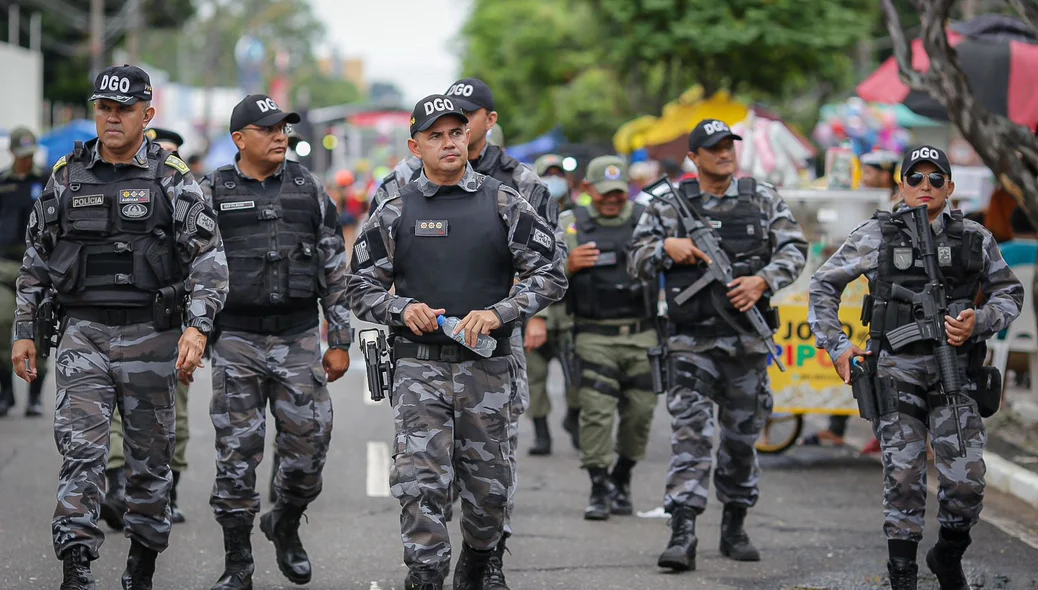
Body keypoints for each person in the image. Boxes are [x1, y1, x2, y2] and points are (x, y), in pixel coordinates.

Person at [12, 64, 228, 589]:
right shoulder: (68, 174)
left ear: (146, 114)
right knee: (80, 453)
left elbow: (209, 260)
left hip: (151, 335)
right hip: (82, 333)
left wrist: (197, 328)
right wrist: (23, 330)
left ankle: (142, 565)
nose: (111, 118)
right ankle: (77, 567)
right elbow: (36, 259)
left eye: (123, 109)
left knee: (148, 463)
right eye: (104, 108)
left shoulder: (172, 177)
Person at [347, 94, 567, 590]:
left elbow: (551, 274)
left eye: (455, 132)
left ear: (468, 135)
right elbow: (358, 286)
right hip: (417, 367)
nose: (448, 142)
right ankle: (425, 573)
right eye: (435, 135)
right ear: (415, 146)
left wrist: (500, 312)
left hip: (487, 369)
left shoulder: (504, 202)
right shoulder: (395, 209)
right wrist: (401, 308)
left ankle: (482, 557)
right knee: (420, 482)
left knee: (488, 486)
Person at [808, 145, 1023, 589]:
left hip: (956, 369)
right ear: (900, 184)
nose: (925, 187)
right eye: (916, 178)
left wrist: (978, 321)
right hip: (896, 368)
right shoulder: (875, 235)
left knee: (966, 482)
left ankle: (947, 554)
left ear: (950, 186)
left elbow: (1009, 293)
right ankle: (902, 574)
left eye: (935, 179)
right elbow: (822, 286)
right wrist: (839, 346)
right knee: (903, 477)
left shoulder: (974, 238)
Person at [628, 118, 808, 571]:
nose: (724, 153)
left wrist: (762, 281)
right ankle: (683, 530)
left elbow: (794, 249)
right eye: (714, 147)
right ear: (695, 157)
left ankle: (734, 523)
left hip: (746, 344)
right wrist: (668, 247)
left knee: (741, 439)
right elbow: (636, 259)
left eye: (729, 145)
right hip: (690, 342)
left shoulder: (762, 198)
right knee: (692, 435)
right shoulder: (669, 205)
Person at [198, 93, 352, 590]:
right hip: (237, 339)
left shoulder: (308, 189)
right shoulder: (212, 191)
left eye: (284, 127)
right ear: (240, 139)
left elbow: (334, 267)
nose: (281, 135)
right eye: (268, 129)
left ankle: (285, 521)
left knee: (308, 452)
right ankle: (238, 563)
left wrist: (341, 338)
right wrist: (195, 329)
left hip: (300, 338)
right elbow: (193, 266)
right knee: (236, 456)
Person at [101, 126, 195, 531]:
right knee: (118, 413)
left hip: (169, 322)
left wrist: (200, 325)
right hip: (118, 317)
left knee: (174, 412)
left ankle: (165, 493)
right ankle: (117, 487)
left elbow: (206, 261)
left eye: (171, 152)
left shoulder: (188, 191)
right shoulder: (111, 186)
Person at [561, 155, 659, 519]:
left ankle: (623, 476)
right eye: (604, 193)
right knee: (597, 413)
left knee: (641, 411)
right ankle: (600, 486)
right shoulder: (571, 225)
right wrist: (567, 265)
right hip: (593, 333)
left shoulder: (646, 220)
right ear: (587, 189)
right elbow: (539, 273)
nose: (612, 199)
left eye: (618, 192)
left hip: (642, 331)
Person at [805, 149, 902, 450]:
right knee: (852, 363)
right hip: (856, 298)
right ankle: (841, 427)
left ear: (887, 174)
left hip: (883, 303)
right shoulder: (858, 203)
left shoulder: (903, 207)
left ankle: (889, 433)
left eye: (872, 171)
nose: (866, 176)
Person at [524, 153, 581, 456]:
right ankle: (541, 433)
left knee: (577, 377)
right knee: (535, 378)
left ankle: (574, 419)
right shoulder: (524, 215)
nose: (556, 179)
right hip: (533, 312)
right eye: (550, 174)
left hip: (571, 312)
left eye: (560, 173)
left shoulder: (579, 218)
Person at [0, 127, 49, 417]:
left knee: (40, 331)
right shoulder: (2, 183)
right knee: (2, 323)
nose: (26, 160)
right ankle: (5, 390)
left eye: (30, 155)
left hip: (38, 266)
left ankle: (34, 396)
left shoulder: (47, 181)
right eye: (22, 155)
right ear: (12, 153)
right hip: (4, 265)